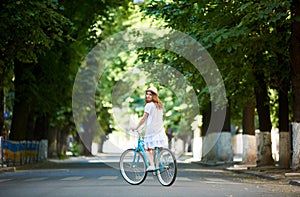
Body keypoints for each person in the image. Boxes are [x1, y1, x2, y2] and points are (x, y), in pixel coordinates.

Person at [134, 86, 168, 171]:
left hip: (151, 131)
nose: (147, 96)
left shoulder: (149, 105)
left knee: (147, 149)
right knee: (154, 149)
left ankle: (152, 165)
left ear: (154, 96)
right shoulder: (159, 106)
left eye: (150, 94)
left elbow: (144, 118)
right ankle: (158, 165)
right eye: (147, 94)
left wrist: (136, 127)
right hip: (159, 130)